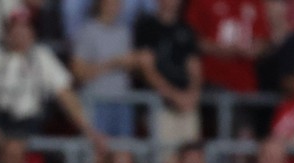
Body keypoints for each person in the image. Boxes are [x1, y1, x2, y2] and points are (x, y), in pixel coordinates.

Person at [0, 11, 101, 146]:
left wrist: (89, 130)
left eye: (25, 29)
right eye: (16, 30)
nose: (21, 34)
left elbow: (65, 94)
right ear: (6, 33)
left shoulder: (43, 56)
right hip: (0, 123)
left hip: (32, 126)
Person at [134, 0, 203, 145]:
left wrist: (193, 94)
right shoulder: (146, 27)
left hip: (187, 103)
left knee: (192, 155)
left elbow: (194, 67)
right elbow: (146, 68)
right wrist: (173, 95)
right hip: (158, 105)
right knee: (165, 160)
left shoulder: (187, 29)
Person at [71, 0, 140, 139]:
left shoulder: (124, 31)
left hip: (122, 102)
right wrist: (111, 64)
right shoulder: (87, 31)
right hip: (96, 102)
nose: (115, 6)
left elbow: (132, 67)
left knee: (123, 153)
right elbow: (78, 72)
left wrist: (135, 61)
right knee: (96, 153)